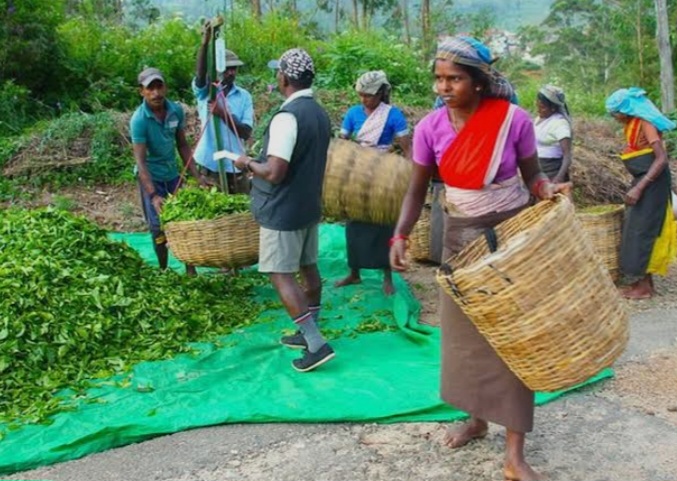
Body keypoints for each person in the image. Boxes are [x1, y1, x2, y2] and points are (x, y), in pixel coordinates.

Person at [388, 36, 570, 481]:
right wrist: (400, 234)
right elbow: (416, 190)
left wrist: (546, 188)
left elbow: (533, 175)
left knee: (513, 337)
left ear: (479, 82)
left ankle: (514, 453)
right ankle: (475, 419)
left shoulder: (512, 121)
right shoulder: (430, 128)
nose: (444, 87)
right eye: (439, 78)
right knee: (465, 339)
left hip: (510, 239)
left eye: (454, 79)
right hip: (459, 240)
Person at [233, 48, 334, 372]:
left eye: (278, 72)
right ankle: (308, 332)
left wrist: (247, 162)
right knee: (308, 266)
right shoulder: (318, 113)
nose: (277, 76)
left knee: (280, 273)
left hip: (284, 209)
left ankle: (315, 343)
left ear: (285, 78)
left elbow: (275, 172)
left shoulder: (287, 117)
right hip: (308, 205)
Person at [333, 70, 411, 295]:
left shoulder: (393, 115)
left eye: (368, 95)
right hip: (357, 174)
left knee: (383, 222)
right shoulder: (353, 113)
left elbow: (407, 149)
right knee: (354, 223)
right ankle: (354, 272)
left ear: (380, 93)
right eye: (361, 95)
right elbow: (342, 143)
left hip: (383, 175)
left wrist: (407, 175)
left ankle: (387, 275)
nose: (363, 99)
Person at [130, 67, 207, 275]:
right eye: (150, 89)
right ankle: (164, 270)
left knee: (183, 220)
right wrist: (153, 195)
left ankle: (191, 270)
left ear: (165, 87)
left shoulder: (175, 111)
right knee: (158, 227)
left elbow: (182, 145)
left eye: (159, 86)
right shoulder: (139, 120)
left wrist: (197, 176)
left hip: (172, 175)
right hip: (151, 177)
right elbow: (140, 161)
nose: (156, 93)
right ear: (141, 91)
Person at [605, 87, 677, 299]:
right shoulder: (631, 125)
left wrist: (639, 187)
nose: (615, 117)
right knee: (635, 228)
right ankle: (642, 283)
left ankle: (644, 288)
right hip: (644, 181)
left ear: (625, 110)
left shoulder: (646, 123)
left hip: (653, 184)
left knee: (644, 230)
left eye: (615, 113)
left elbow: (661, 159)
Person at [193, 21, 254, 193]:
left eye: (234, 69)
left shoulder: (244, 96)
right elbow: (200, 76)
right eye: (227, 68)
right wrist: (205, 44)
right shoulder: (207, 92)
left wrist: (223, 114)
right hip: (210, 165)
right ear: (218, 69)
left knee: (240, 206)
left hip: (235, 166)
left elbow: (246, 132)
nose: (231, 72)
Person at [535, 85, 573, 182]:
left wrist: (559, 177)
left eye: (542, 107)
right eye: (538, 106)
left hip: (552, 171)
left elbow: (567, 155)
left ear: (553, 108)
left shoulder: (560, 124)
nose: (539, 110)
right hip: (538, 170)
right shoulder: (539, 119)